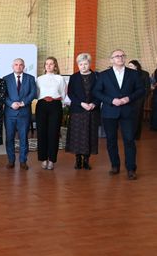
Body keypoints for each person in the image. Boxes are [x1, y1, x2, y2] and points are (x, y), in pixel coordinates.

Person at [93, 49, 145, 180]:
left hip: (128, 111)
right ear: (111, 60)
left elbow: (141, 90)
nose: (120, 58)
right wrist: (111, 100)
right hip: (109, 111)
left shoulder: (133, 74)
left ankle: (131, 169)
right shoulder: (104, 75)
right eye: (117, 56)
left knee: (129, 140)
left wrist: (129, 98)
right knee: (111, 141)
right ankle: (115, 165)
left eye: (122, 56)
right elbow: (97, 92)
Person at [65, 53, 100, 170]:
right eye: (81, 64)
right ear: (78, 65)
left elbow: (101, 92)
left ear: (90, 64)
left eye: (85, 64)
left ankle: (86, 161)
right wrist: (81, 103)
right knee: (77, 136)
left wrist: (94, 103)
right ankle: (78, 160)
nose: (83, 66)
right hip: (78, 110)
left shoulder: (96, 76)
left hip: (92, 110)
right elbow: (70, 93)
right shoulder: (74, 77)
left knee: (89, 135)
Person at [3, 58, 36, 170]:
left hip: (24, 113)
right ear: (12, 66)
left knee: (23, 138)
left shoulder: (30, 78)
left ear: (24, 66)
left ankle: (23, 161)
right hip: (10, 113)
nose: (18, 66)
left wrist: (23, 103)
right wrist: (11, 104)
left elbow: (33, 93)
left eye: (21, 65)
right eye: (16, 64)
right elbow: (3, 95)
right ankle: (11, 160)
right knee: (9, 138)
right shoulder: (6, 79)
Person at [35, 56, 66, 170]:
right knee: (41, 132)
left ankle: (52, 160)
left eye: (51, 64)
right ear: (44, 66)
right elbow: (37, 93)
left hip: (55, 105)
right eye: (46, 64)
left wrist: (55, 100)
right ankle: (43, 159)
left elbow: (63, 93)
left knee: (54, 133)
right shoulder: (39, 79)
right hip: (42, 105)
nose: (48, 66)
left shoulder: (60, 78)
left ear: (55, 66)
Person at [126, 59, 151, 140]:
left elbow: (147, 87)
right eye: (128, 66)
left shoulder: (144, 74)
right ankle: (129, 134)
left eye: (131, 66)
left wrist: (143, 98)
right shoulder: (128, 74)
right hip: (129, 99)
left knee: (137, 117)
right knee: (129, 117)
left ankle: (136, 135)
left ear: (136, 66)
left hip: (139, 99)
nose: (129, 67)